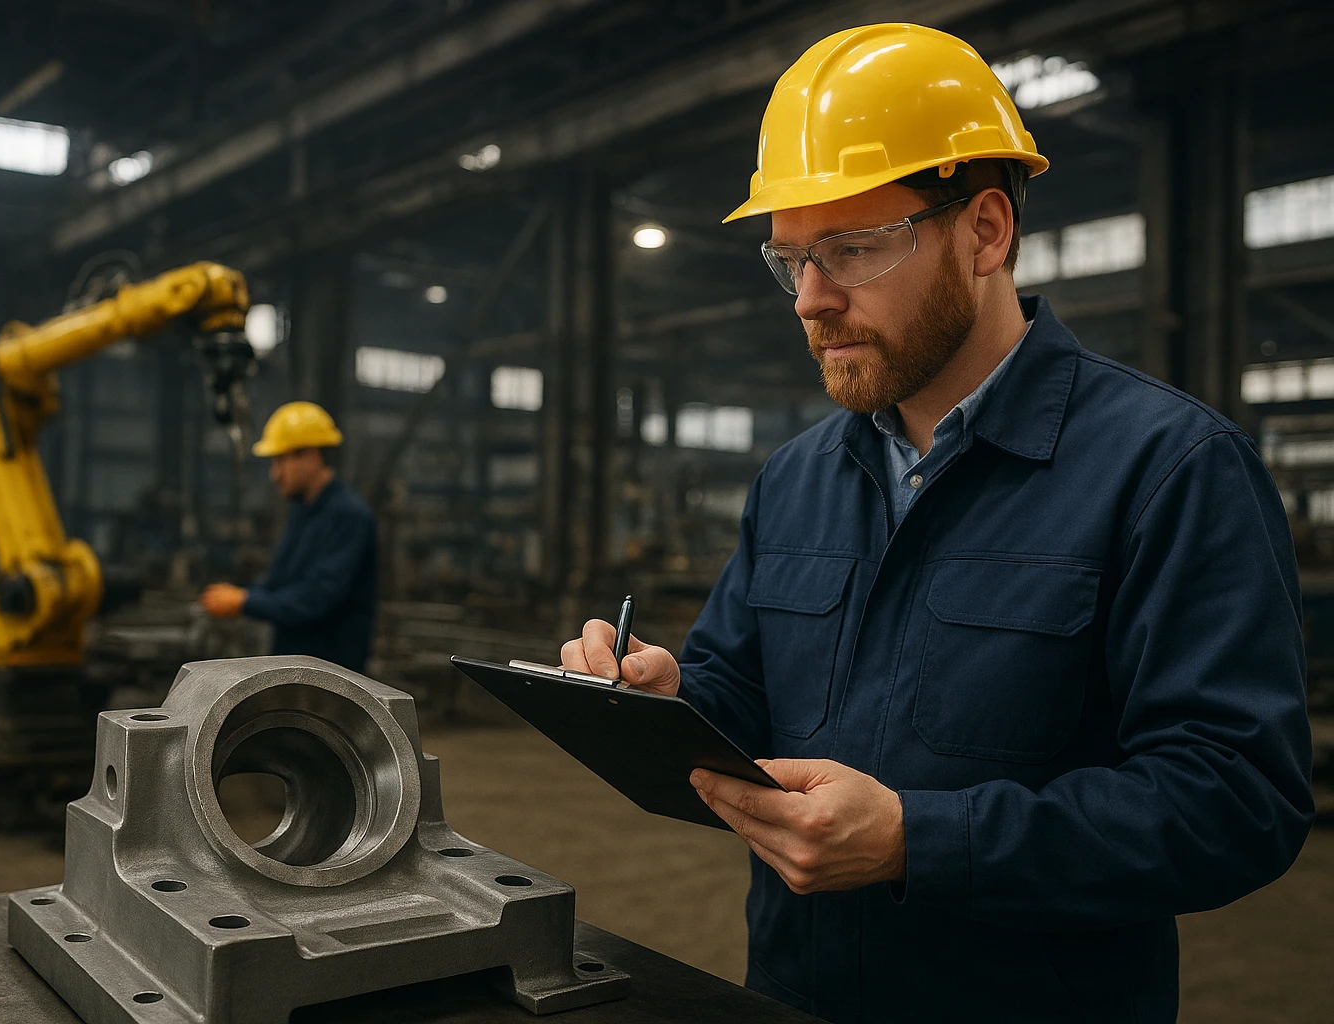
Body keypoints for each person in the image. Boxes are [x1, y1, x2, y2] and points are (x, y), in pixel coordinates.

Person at [561, 23, 1312, 1024]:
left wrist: (922, 838)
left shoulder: (1167, 469)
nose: (810, 302)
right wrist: (669, 697)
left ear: (986, 233)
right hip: (794, 995)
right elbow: (747, 689)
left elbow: (1236, 802)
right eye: (790, 261)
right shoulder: (795, 478)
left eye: (853, 250)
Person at [201, 401, 376, 672]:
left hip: (333, 679)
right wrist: (243, 595)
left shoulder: (349, 516)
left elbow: (315, 599)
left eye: (280, 460)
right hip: (300, 670)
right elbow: (281, 582)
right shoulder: (305, 512)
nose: (274, 474)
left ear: (311, 456)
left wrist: (244, 602)